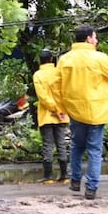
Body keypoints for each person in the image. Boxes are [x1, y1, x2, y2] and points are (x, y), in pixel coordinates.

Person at [55, 24, 108, 200]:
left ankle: (74, 181)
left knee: (76, 146)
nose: (96, 40)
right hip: (95, 111)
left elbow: (56, 85)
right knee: (94, 149)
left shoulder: (65, 59)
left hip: (75, 110)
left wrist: (62, 108)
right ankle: (91, 188)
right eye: (95, 37)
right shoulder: (98, 58)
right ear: (88, 38)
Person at [32, 48, 69, 184]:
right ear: (52, 59)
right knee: (61, 143)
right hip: (62, 114)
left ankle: (48, 177)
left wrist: (53, 108)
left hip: (47, 115)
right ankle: (64, 176)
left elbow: (42, 96)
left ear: (40, 61)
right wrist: (59, 110)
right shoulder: (59, 72)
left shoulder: (38, 75)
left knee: (48, 144)